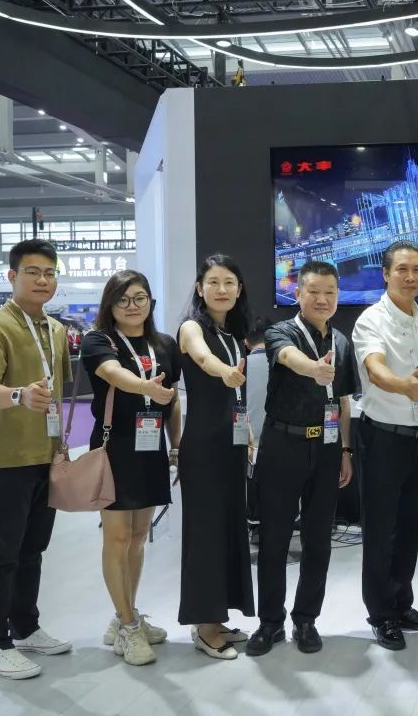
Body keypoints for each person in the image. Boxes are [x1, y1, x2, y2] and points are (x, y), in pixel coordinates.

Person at [0, 239, 73, 679]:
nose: (43, 280)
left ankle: (26, 627)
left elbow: (59, 391)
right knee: (3, 551)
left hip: (45, 455)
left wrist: (61, 444)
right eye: (33, 272)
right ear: (12, 276)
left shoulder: (57, 330)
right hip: (5, 458)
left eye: (50, 273)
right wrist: (19, 395)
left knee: (33, 549)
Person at [248, 260, 357, 656]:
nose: (322, 299)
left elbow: (342, 402)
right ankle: (269, 623)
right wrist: (314, 369)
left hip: (326, 448)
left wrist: (345, 449)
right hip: (283, 445)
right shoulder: (281, 332)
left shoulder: (342, 341)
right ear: (298, 294)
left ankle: (306, 619)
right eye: (314, 292)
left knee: (319, 539)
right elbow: (288, 358)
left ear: (338, 296)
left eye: (330, 292)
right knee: (274, 538)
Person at [80, 271, 182, 666]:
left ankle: (126, 615)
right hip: (115, 448)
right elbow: (113, 374)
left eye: (140, 298)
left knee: (139, 536)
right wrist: (145, 388)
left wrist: (177, 446)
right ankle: (128, 626)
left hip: (151, 447)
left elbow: (172, 400)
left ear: (150, 302)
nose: (132, 306)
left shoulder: (165, 344)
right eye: (122, 299)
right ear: (110, 305)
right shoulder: (98, 341)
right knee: (118, 537)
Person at [352, 241, 418, 650]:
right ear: (386, 274)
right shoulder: (371, 320)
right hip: (382, 438)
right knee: (380, 531)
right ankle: (381, 614)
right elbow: (375, 370)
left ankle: (402, 605)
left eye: (417, 270)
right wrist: (403, 386)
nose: (410, 277)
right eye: (402, 269)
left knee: (410, 528)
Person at [177, 254, 256, 660]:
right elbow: (202, 358)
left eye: (229, 282)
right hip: (204, 446)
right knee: (205, 534)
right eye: (213, 282)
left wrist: (248, 429)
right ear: (199, 288)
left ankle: (218, 616)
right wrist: (222, 371)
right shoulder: (192, 328)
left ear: (239, 290)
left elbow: (236, 395)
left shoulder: (233, 333)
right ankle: (204, 626)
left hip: (232, 443)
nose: (221, 289)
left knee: (229, 529)